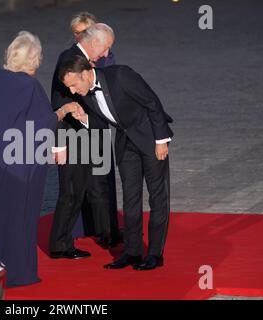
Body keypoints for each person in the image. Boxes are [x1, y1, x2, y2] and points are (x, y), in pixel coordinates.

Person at [0, 31, 75, 287]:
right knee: (14, 218)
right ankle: (15, 271)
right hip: (15, 169)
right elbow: (43, 123)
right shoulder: (29, 86)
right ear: (33, 59)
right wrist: (64, 110)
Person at [59, 55, 173, 271]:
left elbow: (152, 102)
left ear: (84, 74)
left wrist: (161, 140)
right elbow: (102, 119)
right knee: (130, 198)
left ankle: (156, 254)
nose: (73, 91)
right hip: (125, 142)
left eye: (73, 85)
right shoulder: (86, 92)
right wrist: (83, 117)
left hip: (150, 138)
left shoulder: (121, 75)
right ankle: (132, 251)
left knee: (157, 197)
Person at [48, 23, 120, 260]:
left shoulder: (82, 57)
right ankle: (60, 245)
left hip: (90, 132)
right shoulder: (70, 60)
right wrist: (59, 143)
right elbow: (58, 102)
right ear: (95, 42)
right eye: (106, 48)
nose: (106, 54)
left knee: (100, 186)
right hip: (73, 136)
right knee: (71, 192)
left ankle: (107, 233)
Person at [69, 14, 121, 247]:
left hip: (99, 126)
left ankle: (108, 229)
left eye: (85, 31)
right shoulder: (71, 57)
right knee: (82, 181)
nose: (81, 36)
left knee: (103, 180)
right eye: (77, 33)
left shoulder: (105, 57)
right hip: (78, 127)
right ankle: (88, 226)